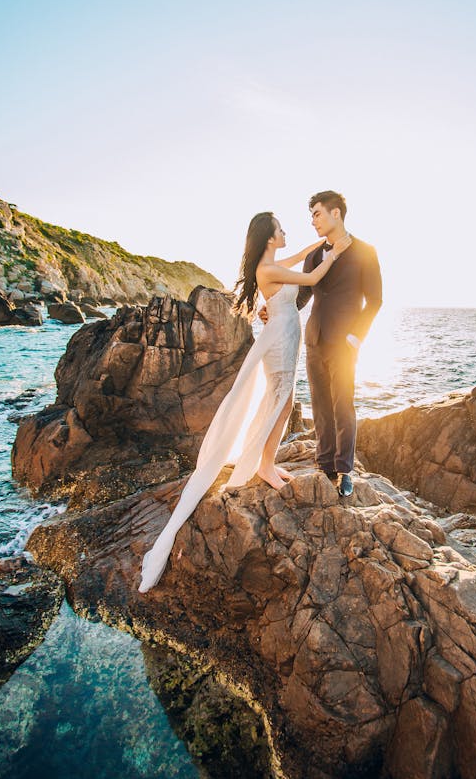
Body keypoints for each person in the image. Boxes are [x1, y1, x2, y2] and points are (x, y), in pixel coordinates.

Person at [138, 212, 351, 593]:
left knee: (282, 401)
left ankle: (265, 462)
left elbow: (302, 255)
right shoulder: (268, 270)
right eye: (281, 229)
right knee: (281, 400)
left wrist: (324, 243)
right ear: (269, 237)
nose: (286, 233)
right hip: (281, 338)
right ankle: (265, 465)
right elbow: (312, 279)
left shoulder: (270, 264)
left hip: (284, 332)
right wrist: (336, 255)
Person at [295, 190, 382, 497]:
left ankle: (345, 469)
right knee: (320, 405)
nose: (313, 221)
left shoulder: (366, 251)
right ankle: (325, 464)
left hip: (345, 343)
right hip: (314, 338)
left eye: (317, 214)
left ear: (336, 213)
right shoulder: (314, 255)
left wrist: (356, 337)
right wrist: (278, 309)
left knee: (342, 404)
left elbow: (375, 301)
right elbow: (303, 295)